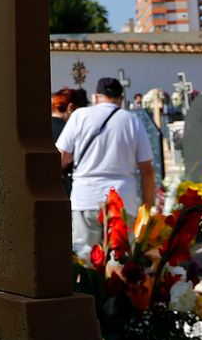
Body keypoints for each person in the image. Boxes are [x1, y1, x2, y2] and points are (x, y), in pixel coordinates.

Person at [56, 77, 155, 255]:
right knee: (120, 260)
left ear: (96, 97)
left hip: (86, 196)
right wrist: (148, 206)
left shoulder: (79, 116)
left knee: (85, 257)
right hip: (123, 198)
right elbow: (147, 170)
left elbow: (61, 157)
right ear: (120, 98)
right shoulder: (132, 121)